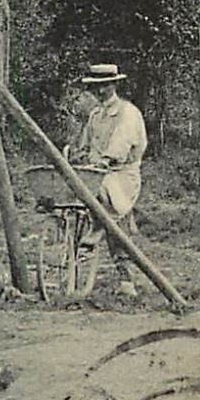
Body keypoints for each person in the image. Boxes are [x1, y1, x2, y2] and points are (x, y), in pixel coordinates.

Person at [69, 62, 149, 298]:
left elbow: (121, 144)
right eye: (96, 87)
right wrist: (79, 156)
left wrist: (106, 161)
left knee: (109, 211)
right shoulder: (95, 114)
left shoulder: (128, 113)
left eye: (104, 86)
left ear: (114, 85)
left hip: (122, 174)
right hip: (97, 173)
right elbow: (85, 144)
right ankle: (91, 237)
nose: (100, 91)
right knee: (88, 194)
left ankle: (96, 232)